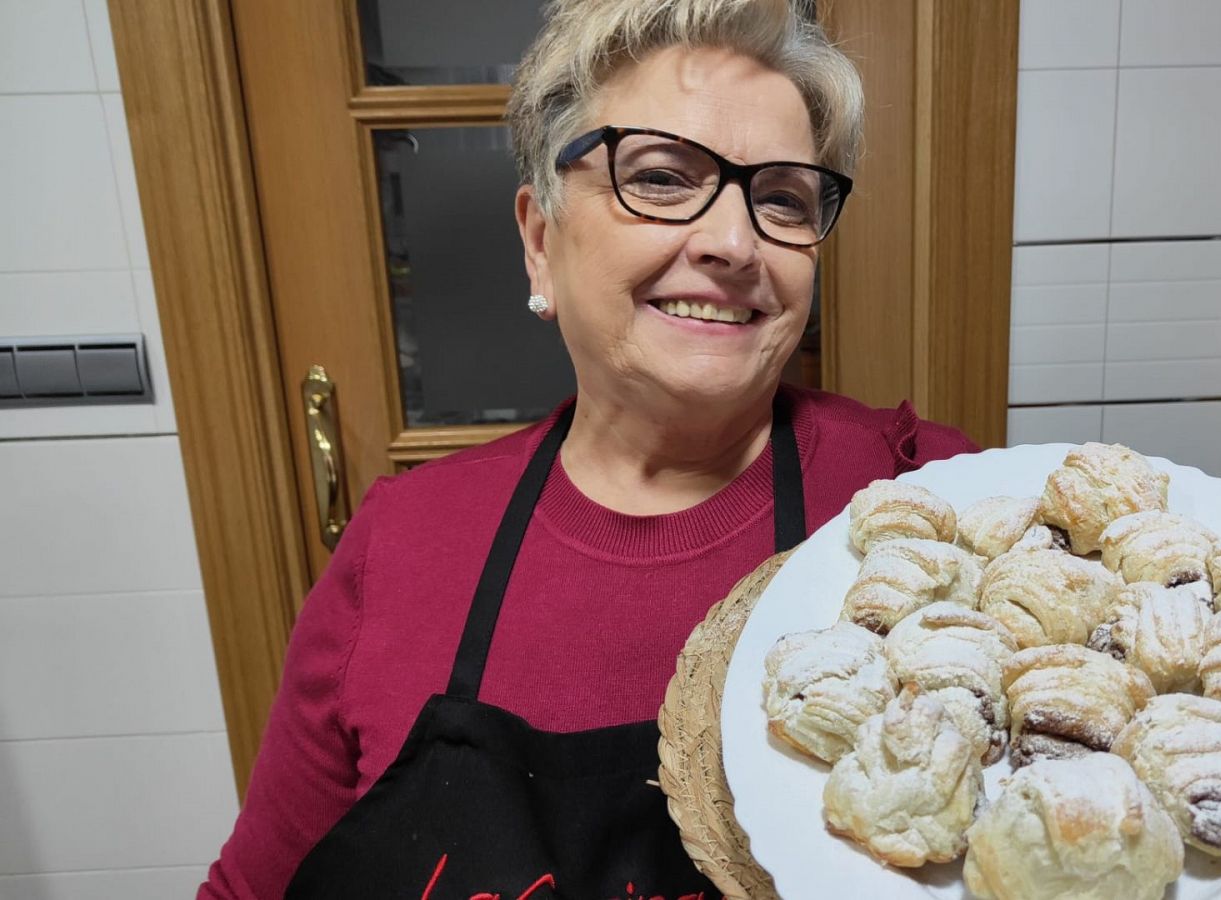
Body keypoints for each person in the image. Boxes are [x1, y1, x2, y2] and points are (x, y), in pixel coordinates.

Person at [201, 0, 977, 896]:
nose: (732, 243)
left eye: (781, 198)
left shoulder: (922, 501)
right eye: (658, 178)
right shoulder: (408, 547)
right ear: (540, 241)